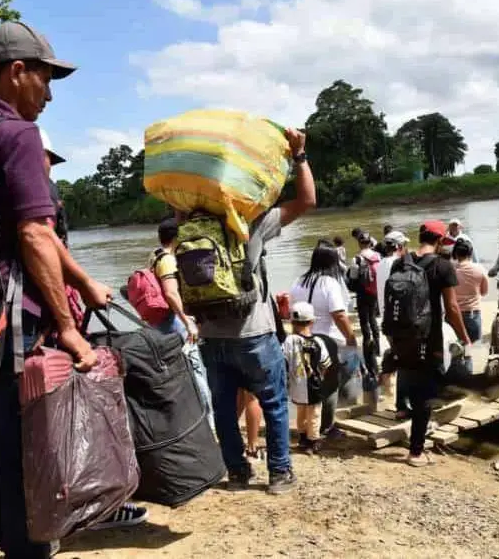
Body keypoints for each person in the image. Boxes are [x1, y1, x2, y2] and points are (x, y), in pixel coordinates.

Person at [0, 22, 143, 558]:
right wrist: (67, 327)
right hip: (12, 336)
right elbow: (35, 232)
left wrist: (83, 279)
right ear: (17, 73)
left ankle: (14, 548)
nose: (50, 93)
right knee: (29, 466)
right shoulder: (18, 136)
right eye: (45, 78)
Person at [198, 128, 316, 495]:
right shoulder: (253, 223)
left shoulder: (191, 221)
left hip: (210, 335)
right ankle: (279, 474)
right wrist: (299, 155)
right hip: (254, 333)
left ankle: (236, 473)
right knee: (274, 403)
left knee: (223, 408)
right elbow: (307, 201)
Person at [389, 220, 472, 466]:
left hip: (402, 337)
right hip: (429, 337)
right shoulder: (442, 266)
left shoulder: (400, 262)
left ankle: (411, 420)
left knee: (413, 384)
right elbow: (453, 308)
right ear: (438, 241)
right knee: (425, 394)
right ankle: (415, 452)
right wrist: (464, 337)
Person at [149, 218, 214, 431]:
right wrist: (188, 322)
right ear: (177, 238)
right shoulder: (168, 259)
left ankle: (185, 419)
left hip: (159, 323)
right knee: (196, 370)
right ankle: (209, 422)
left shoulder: (154, 255)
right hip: (174, 322)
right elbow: (170, 292)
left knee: (176, 372)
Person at [290, 241, 359, 437]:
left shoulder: (298, 281)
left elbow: (292, 312)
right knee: (330, 386)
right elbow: (339, 315)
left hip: (303, 339)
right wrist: (352, 338)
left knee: (308, 384)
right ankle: (327, 427)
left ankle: (304, 425)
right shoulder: (330, 283)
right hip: (328, 342)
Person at [283, 302, 333, 455]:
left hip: (296, 386)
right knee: (314, 413)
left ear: (292, 321)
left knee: (301, 413)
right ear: (312, 321)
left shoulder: (289, 341)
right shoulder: (318, 342)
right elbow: (325, 363)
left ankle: (302, 437)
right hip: (314, 386)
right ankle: (313, 440)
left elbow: (283, 361)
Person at [376, 230, 410, 399]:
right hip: (400, 318)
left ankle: (387, 390)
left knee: (395, 352)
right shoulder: (398, 263)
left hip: (386, 318)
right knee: (406, 359)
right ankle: (401, 400)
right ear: (399, 246)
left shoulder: (380, 263)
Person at [351, 232, 382, 357]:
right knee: (373, 318)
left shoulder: (357, 258)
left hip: (362, 292)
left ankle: (368, 348)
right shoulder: (378, 256)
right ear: (370, 243)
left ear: (359, 243)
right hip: (375, 292)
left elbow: (353, 276)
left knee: (364, 321)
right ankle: (378, 347)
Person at [454, 239, 488, 343]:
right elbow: (484, 292)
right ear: (471, 252)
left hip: (454, 315)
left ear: (455, 253)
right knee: (469, 347)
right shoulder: (480, 269)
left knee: (455, 348)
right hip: (473, 315)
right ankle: (467, 357)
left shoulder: (450, 270)